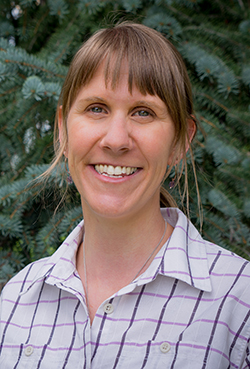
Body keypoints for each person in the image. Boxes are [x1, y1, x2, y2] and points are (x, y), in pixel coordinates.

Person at [0, 22, 250, 369]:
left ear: (181, 141)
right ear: (63, 129)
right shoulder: (16, 301)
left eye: (143, 112)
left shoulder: (239, 303)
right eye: (97, 108)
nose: (116, 140)